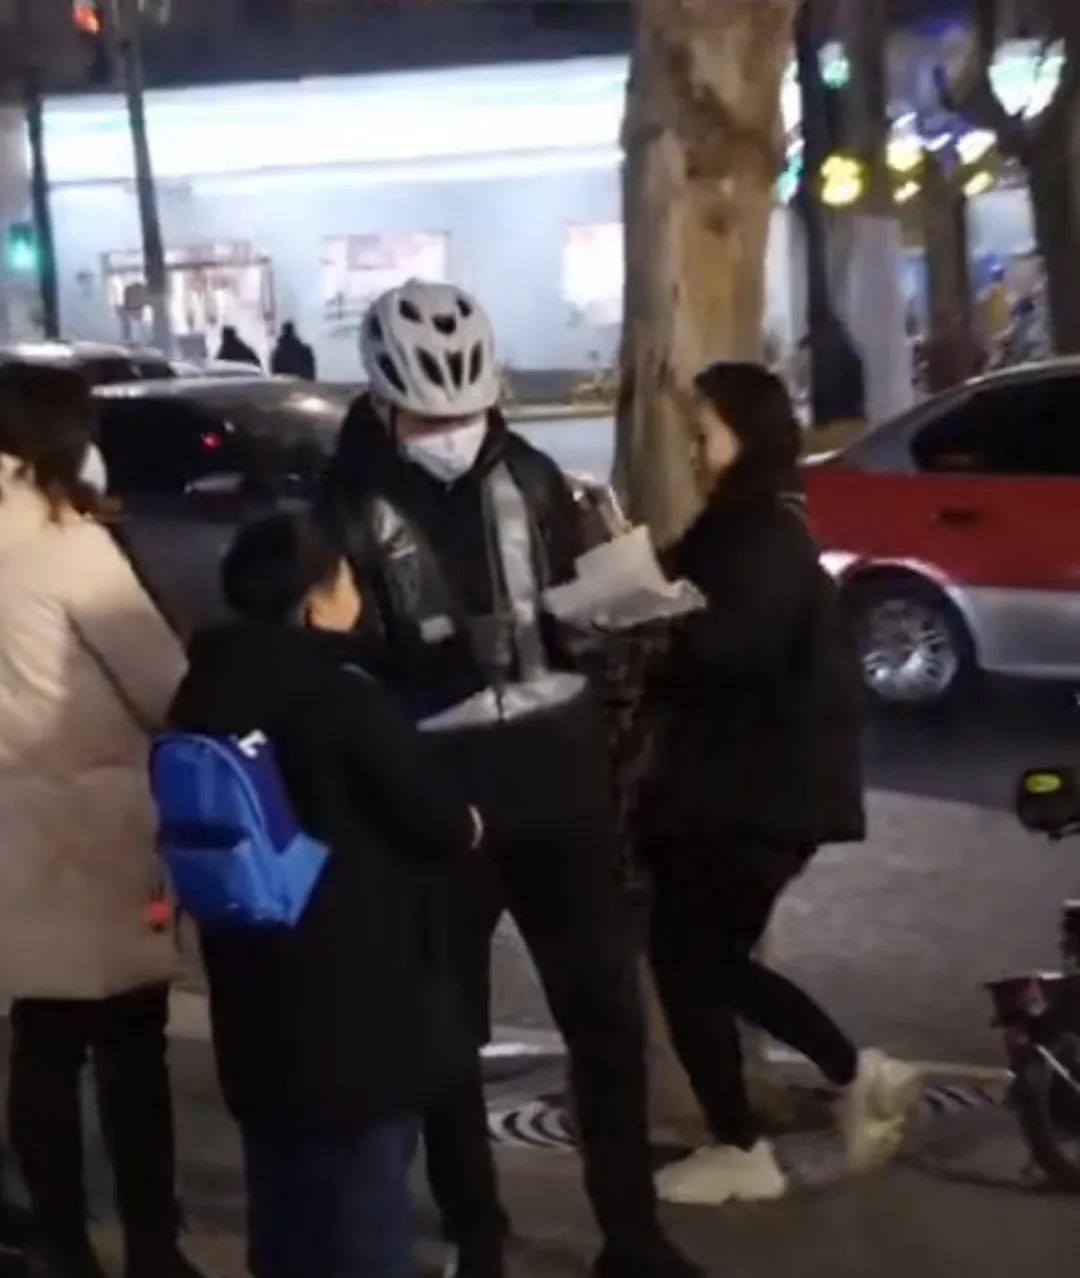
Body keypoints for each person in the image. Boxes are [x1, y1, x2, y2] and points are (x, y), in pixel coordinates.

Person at [322, 281, 696, 1278]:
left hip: (555, 780)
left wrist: (612, 622)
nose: (454, 432)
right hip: (436, 793)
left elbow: (576, 600)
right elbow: (331, 656)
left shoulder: (534, 477)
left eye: (470, 412)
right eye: (430, 416)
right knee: (447, 1036)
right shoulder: (343, 502)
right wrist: (412, 665)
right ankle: (477, 1237)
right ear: (385, 402)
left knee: (606, 1018)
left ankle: (632, 1234)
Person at [168, 511, 482, 1278]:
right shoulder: (340, 696)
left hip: (252, 990)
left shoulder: (202, 689)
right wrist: (471, 820)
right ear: (314, 602)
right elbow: (435, 821)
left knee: (285, 1210)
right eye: (346, 581)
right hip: (354, 1003)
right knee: (361, 1220)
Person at [641, 362, 920, 1208]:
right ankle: (846, 1077)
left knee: (689, 961)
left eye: (705, 434)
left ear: (748, 434)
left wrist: (640, 622)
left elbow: (725, 649)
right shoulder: (745, 525)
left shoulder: (760, 535)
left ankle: (749, 1140)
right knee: (705, 963)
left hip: (749, 797)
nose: (695, 451)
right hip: (750, 793)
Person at [0, 364, 202, 1278]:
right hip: (99, 836)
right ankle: (153, 1249)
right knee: (132, 1053)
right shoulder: (66, 544)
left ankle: (63, 1247)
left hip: (14, 836)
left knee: (41, 1047)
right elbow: (165, 686)